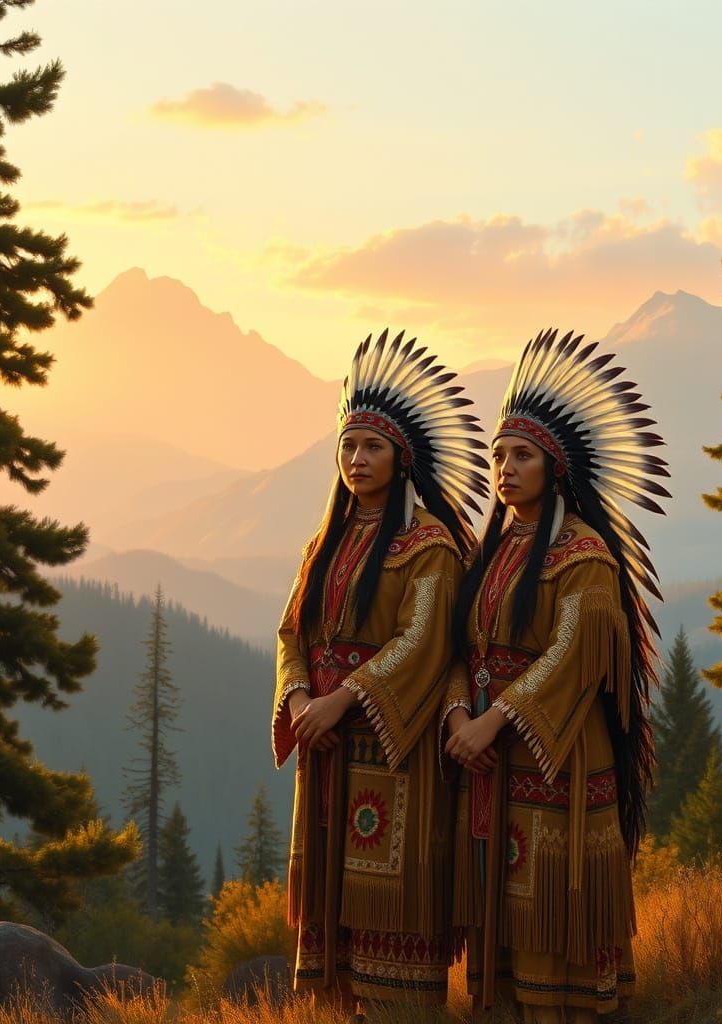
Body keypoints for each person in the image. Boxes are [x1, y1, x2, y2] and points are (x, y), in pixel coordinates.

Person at [443, 328, 670, 1023]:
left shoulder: (586, 554)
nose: (505, 469)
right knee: (502, 917)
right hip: (494, 764)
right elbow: (463, 648)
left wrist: (490, 720)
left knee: (549, 913)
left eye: (522, 456)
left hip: (560, 763)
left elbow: (570, 656)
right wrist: (458, 713)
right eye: (498, 456)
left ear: (556, 467)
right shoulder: (492, 552)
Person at [271, 329, 488, 1010]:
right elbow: (292, 630)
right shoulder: (322, 544)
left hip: (396, 755)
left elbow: (423, 641)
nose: (357, 460)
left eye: (372, 447)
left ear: (403, 458)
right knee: (330, 945)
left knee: (390, 935)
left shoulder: (431, 546)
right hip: (326, 750)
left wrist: (344, 703)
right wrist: (303, 698)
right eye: (348, 446)